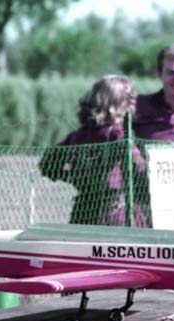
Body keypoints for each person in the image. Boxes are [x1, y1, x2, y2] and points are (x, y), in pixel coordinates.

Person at [39, 74, 147, 226]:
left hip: (82, 211)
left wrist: (70, 177)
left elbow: (47, 164)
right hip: (114, 213)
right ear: (120, 104)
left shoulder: (76, 136)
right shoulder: (118, 135)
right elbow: (141, 169)